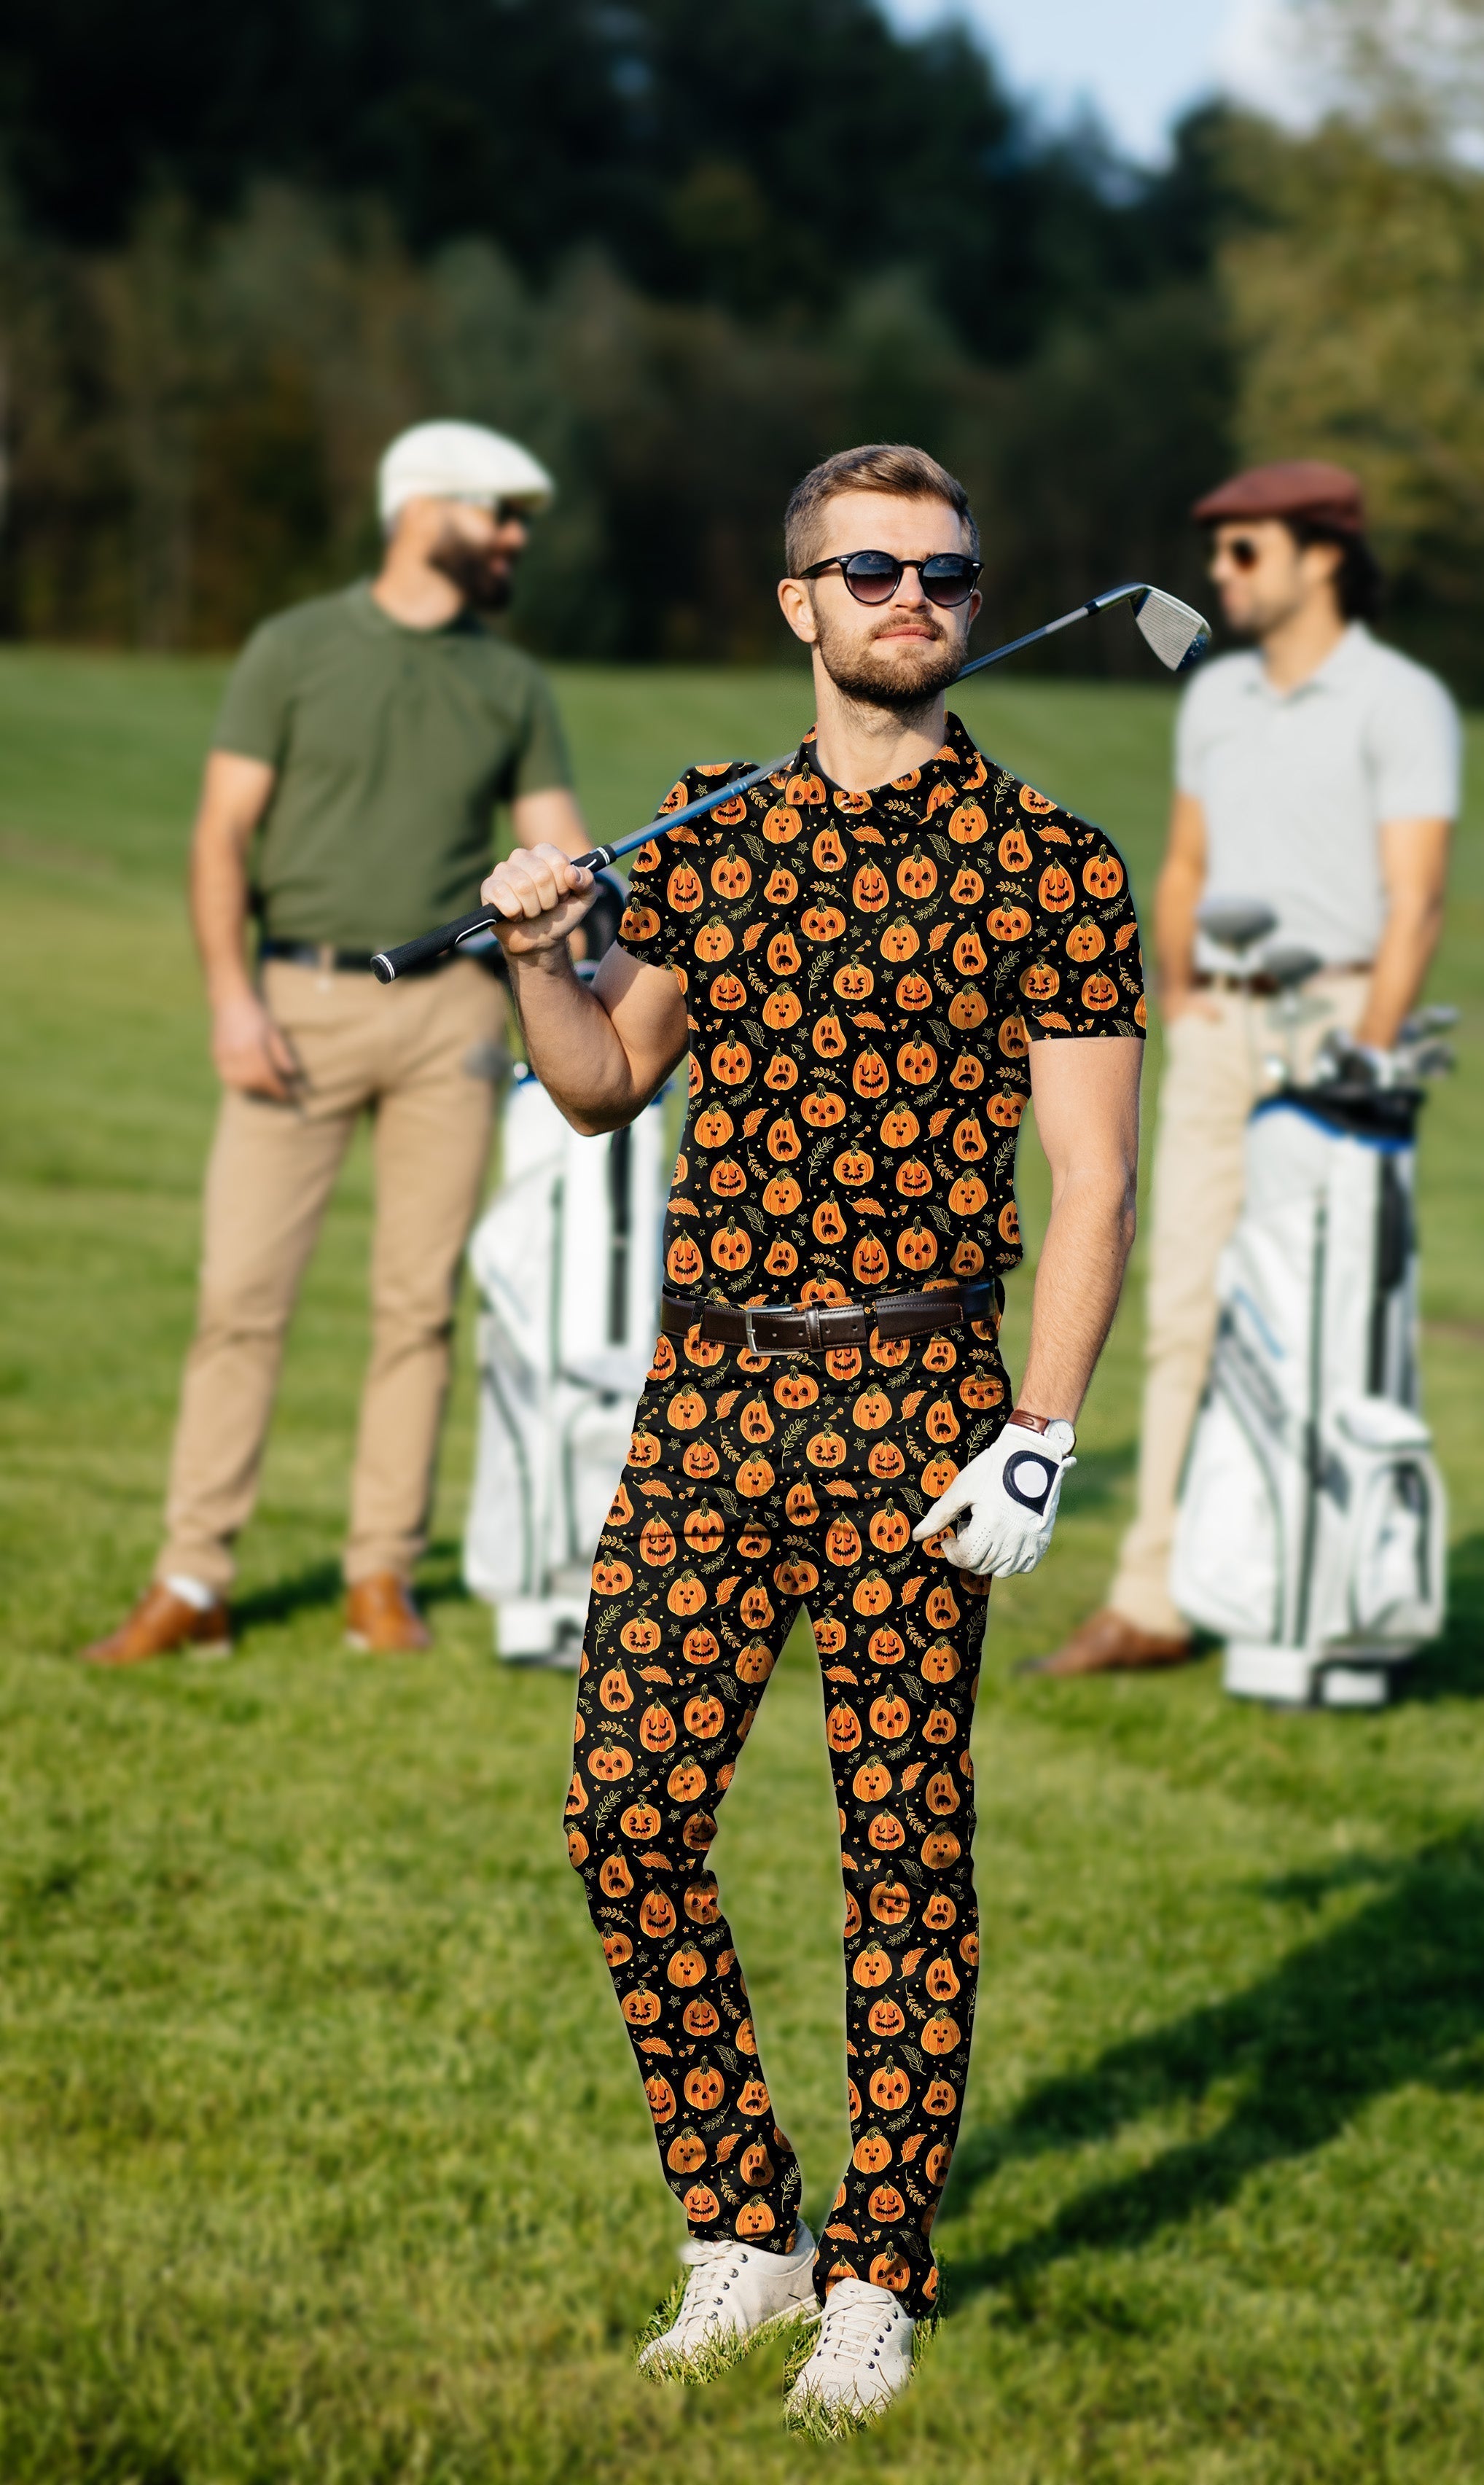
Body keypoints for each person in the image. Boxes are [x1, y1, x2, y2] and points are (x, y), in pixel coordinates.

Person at [477, 443, 1144, 2431]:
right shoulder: (716, 834)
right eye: (869, 569)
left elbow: (1095, 1179)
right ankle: (741, 2227)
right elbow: (600, 1084)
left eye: (942, 568)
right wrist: (536, 946)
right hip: (712, 1395)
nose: (911, 595)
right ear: (803, 607)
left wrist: (1044, 1430)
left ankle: (876, 2274)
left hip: (927, 1399)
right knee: (625, 1811)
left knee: (900, 1854)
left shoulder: (1056, 861)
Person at [82, 420, 590, 1666]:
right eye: (499, 513)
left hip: (454, 1021)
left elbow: (565, 846)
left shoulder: (511, 681)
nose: (517, 537)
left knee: (417, 1307)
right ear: (423, 510)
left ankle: (380, 1580)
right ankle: (194, 1577)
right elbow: (220, 836)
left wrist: (590, 928)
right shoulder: (292, 649)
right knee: (239, 1299)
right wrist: (229, 1000)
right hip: (294, 1003)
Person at [1034, 459, 1460, 1678]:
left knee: (1321, 1320)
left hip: (1336, 1026)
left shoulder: (1400, 699)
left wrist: (1366, 1061)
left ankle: (1316, 1593)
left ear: (1324, 554)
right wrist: (1185, 999)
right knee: (1180, 1314)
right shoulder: (1214, 698)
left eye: (1245, 552)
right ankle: (1155, 1596)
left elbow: (1417, 902)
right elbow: (1183, 867)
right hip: (1219, 1028)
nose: (1220, 575)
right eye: (1215, 552)